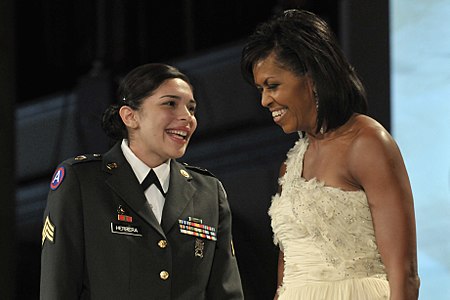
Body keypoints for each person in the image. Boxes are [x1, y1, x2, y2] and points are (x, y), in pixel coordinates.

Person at [241, 9, 419, 300]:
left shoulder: (367, 142)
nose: (264, 100)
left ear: (311, 77)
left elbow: (405, 273)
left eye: (273, 86)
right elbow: (286, 279)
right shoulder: (290, 167)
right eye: (261, 89)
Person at [40, 63, 244, 299]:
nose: (187, 118)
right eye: (170, 104)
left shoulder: (208, 191)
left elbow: (227, 292)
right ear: (130, 116)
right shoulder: (82, 181)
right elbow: (58, 288)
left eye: (191, 108)